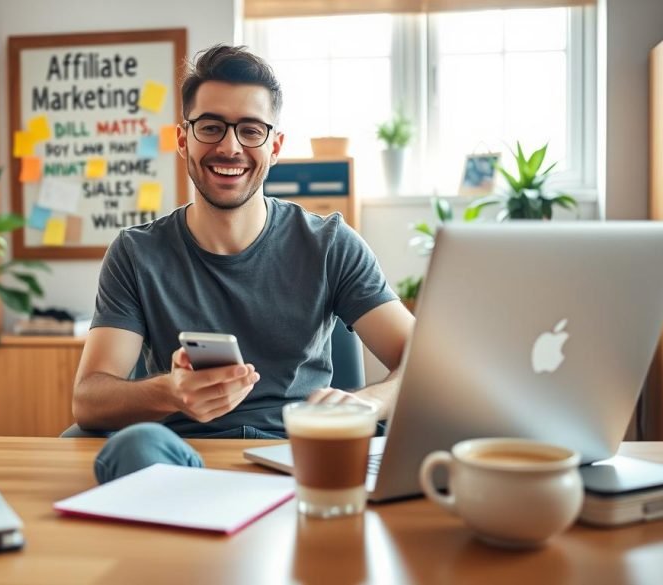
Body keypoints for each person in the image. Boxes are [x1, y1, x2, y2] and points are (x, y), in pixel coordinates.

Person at [72, 44, 415, 483]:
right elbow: (89, 399)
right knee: (134, 446)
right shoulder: (136, 253)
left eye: (251, 130)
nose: (230, 147)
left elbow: (421, 362)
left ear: (275, 146)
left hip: (302, 460)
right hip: (183, 460)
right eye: (211, 127)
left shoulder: (330, 245)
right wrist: (171, 392)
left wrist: (373, 402)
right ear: (183, 139)